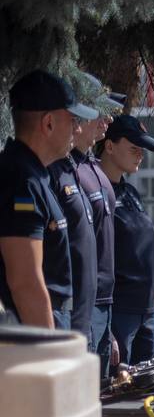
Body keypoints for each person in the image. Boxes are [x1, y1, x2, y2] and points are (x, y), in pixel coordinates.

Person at [1, 70, 93, 328]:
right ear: (49, 123)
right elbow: (25, 282)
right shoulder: (21, 180)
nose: (78, 128)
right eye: (73, 119)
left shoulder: (33, 174)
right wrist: (49, 350)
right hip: (33, 331)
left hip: (48, 320)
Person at [48, 79, 119, 341]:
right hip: (69, 308)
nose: (108, 120)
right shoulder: (57, 170)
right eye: (98, 113)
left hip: (97, 302)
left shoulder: (84, 167)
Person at [99, 114, 154, 365]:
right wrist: (104, 328)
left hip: (146, 314)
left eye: (143, 149)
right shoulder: (94, 192)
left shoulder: (131, 193)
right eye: (134, 148)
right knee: (117, 395)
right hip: (118, 314)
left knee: (143, 396)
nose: (140, 154)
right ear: (109, 146)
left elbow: (144, 259)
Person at [77, 92, 124, 377]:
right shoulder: (68, 171)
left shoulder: (94, 168)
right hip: (85, 303)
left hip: (106, 302)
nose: (107, 119)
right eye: (100, 112)